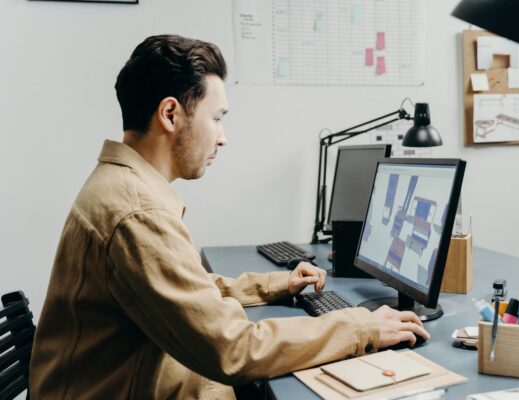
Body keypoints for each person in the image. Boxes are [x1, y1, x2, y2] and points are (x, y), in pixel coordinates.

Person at [29, 34, 430, 400]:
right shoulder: (137, 211)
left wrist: (275, 285)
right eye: (217, 118)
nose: (223, 136)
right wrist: (363, 328)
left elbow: (188, 290)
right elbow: (233, 349)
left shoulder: (122, 185)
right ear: (170, 114)